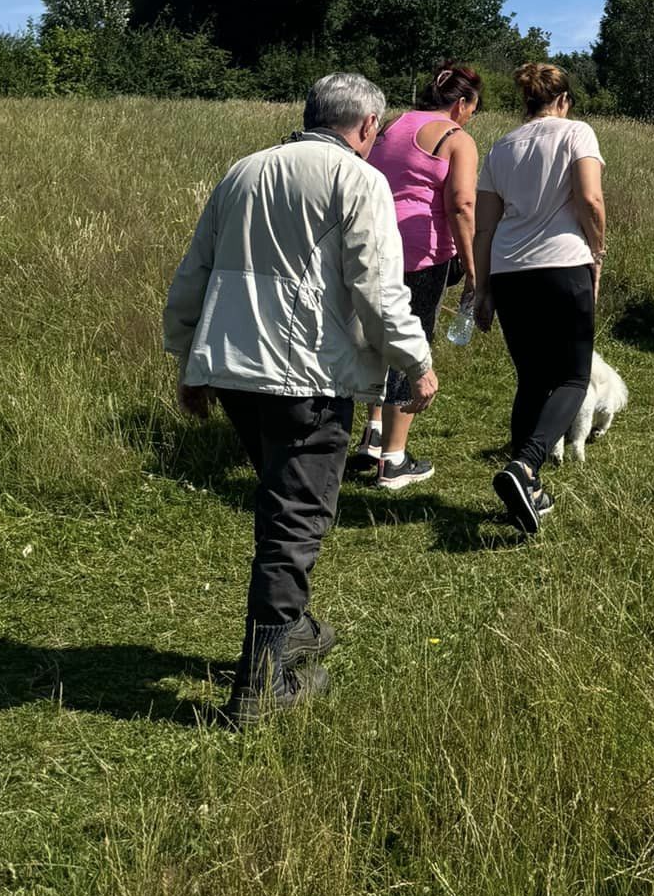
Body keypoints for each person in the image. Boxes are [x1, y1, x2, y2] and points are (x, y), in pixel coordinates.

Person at [163, 72, 438, 727]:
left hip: (233, 372)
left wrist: (187, 357)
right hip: (305, 379)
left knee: (284, 507)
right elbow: (376, 287)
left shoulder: (244, 171)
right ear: (368, 125)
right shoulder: (359, 181)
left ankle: (294, 629)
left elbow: (194, 268)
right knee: (294, 522)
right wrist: (417, 361)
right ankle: (261, 688)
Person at [472, 62, 605, 535]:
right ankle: (526, 466)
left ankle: (524, 489)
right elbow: (589, 200)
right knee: (573, 376)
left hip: (509, 272)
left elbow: (483, 225)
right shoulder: (577, 133)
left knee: (531, 378)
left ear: (525, 102)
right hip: (563, 265)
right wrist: (598, 250)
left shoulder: (501, 147)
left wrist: (482, 287)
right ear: (564, 100)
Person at [346, 62, 482, 489]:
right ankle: (395, 459)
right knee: (411, 343)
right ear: (461, 104)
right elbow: (461, 205)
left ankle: (371, 436)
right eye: (473, 108)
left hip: (374, 245)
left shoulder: (390, 126)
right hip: (422, 254)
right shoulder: (455, 138)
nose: (471, 116)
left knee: (376, 339)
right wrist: (472, 267)